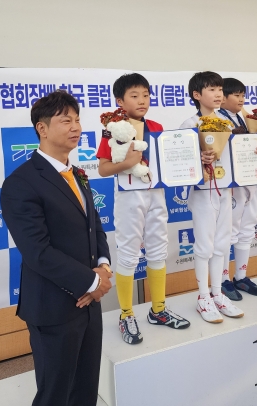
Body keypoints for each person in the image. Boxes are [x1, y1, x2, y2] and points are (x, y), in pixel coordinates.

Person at [1, 91, 112, 406]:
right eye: (66, 120)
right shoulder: (21, 183)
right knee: (55, 394)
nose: (75, 126)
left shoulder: (77, 174)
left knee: (85, 389)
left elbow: (96, 227)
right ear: (43, 128)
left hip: (89, 303)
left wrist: (103, 269)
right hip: (53, 307)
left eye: (77, 119)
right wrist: (92, 282)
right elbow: (37, 251)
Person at [98, 73, 190, 345]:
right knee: (127, 253)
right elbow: (103, 169)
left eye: (146, 95)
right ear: (120, 100)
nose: (142, 100)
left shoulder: (156, 125)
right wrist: (126, 164)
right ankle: (126, 314)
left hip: (156, 193)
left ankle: (158, 309)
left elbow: (166, 160)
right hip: (129, 196)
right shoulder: (113, 127)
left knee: (159, 248)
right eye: (134, 96)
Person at [180, 72, 245, 323]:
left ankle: (218, 293)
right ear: (197, 95)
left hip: (226, 190)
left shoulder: (227, 123)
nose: (218, 94)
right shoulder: (189, 124)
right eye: (212, 90)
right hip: (203, 192)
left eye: (219, 89)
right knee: (205, 246)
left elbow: (233, 157)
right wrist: (199, 159)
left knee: (222, 243)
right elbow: (181, 161)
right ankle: (203, 296)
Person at [215, 78, 257, 301]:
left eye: (243, 95)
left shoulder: (245, 117)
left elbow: (256, 143)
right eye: (236, 95)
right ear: (222, 98)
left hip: (250, 179)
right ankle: (222, 280)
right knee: (227, 232)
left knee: (247, 227)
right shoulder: (215, 120)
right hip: (230, 183)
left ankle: (241, 276)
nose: (241, 99)